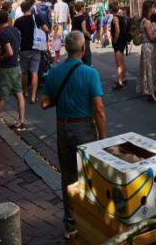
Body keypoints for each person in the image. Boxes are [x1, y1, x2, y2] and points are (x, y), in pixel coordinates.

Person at [41, 31, 106, 240]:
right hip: (84, 128)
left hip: (63, 127)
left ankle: (70, 225)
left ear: (66, 49)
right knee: (89, 176)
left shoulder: (55, 71)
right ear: (83, 49)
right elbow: (99, 108)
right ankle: (91, 221)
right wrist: (103, 136)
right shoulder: (90, 73)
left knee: (68, 175)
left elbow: (44, 103)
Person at [0, 10, 26, 131]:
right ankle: (21, 122)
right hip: (17, 66)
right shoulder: (14, 30)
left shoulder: (3, 34)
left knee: (1, 97)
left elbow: (9, 52)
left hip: (7, 68)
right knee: (19, 94)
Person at [137, 0, 156, 102]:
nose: (155, 9)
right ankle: (151, 92)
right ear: (150, 9)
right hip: (149, 47)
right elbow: (151, 37)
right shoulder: (147, 22)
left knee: (149, 69)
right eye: (154, 7)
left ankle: (151, 91)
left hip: (145, 47)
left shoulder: (143, 20)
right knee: (151, 69)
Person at [14, 1, 41, 102]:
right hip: (36, 47)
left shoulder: (18, 21)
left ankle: (25, 91)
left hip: (24, 48)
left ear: (21, 10)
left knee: (24, 72)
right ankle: (33, 97)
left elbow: (15, 34)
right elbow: (46, 29)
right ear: (30, 8)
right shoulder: (36, 18)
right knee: (34, 72)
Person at [109, 2, 129, 90]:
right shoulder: (121, 17)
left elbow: (117, 31)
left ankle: (120, 82)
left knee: (118, 64)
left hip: (119, 42)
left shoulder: (115, 18)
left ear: (111, 9)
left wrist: (115, 41)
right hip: (123, 41)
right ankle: (124, 78)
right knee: (122, 61)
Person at [71, 1, 93, 66]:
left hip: (76, 39)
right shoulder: (83, 17)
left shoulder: (74, 17)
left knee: (77, 58)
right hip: (83, 40)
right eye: (84, 7)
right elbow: (84, 30)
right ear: (82, 8)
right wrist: (89, 36)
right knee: (86, 59)